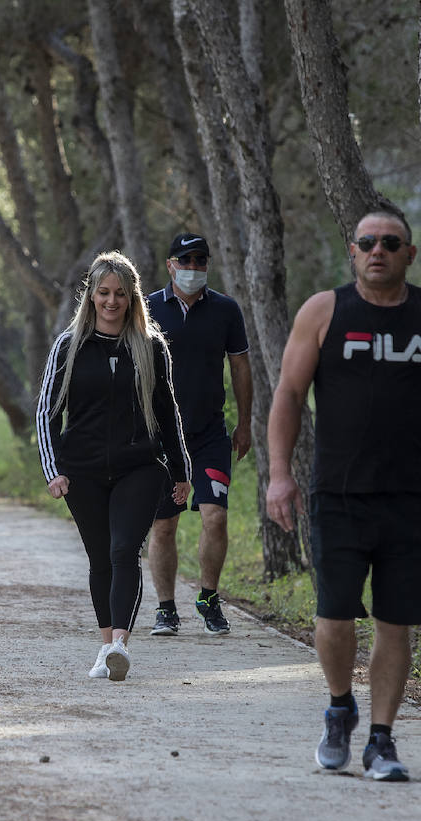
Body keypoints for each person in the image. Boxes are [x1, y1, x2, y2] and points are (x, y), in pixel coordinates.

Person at [265, 211, 421, 780]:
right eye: (368, 243)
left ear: (409, 254)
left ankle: (381, 740)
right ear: (353, 251)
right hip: (340, 493)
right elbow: (291, 394)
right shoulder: (324, 312)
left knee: (397, 623)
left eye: (390, 243)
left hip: (415, 497)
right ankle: (340, 705)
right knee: (333, 616)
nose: (378, 251)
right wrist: (279, 473)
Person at [36, 251, 191, 682]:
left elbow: (168, 411)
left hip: (138, 466)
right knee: (99, 556)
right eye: (103, 293)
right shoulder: (69, 346)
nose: (111, 301)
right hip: (80, 470)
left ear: (132, 297)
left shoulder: (150, 347)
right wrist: (53, 470)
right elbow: (47, 411)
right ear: (91, 296)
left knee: (125, 551)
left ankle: (120, 644)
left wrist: (181, 472)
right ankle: (105, 646)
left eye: (120, 294)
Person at [145, 233, 253, 637]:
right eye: (185, 260)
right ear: (170, 264)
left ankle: (208, 598)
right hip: (162, 439)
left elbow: (240, 368)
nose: (193, 268)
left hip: (210, 435)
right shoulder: (148, 308)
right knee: (164, 527)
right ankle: (166, 609)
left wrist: (244, 423)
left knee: (216, 516)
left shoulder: (226, 310)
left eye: (200, 261)